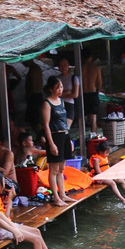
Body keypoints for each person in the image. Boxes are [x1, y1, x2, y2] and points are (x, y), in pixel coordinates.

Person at [41, 76, 78, 208]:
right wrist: (51, 144)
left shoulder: (61, 102)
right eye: (58, 87)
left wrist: (69, 140)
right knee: (54, 169)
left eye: (61, 87)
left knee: (61, 168)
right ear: (51, 89)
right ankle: (56, 197)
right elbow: (46, 125)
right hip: (55, 137)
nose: (60, 89)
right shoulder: (47, 103)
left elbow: (64, 121)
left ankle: (62, 194)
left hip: (65, 135)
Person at [81, 51, 104, 132]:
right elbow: (100, 83)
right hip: (92, 93)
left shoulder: (80, 68)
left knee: (82, 118)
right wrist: (97, 92)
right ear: (91, 57)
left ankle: (82, 138)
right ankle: (94, 138)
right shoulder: (96, 68)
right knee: (93, 119)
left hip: (83, 94)